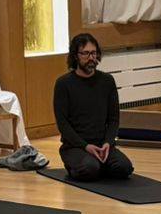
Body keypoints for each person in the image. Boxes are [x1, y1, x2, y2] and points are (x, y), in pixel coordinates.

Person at [51, 33, 134, 182]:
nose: (91, 58)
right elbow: (63, 125)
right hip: (75, 147)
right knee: (90, 168)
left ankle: (98, 164)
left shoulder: (107, 81)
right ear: (75, 56)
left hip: (102, 145)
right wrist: (85, 146)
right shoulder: (63, 84)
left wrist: (108, 143)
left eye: (94, 53)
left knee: (124, 167)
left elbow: (113, 119)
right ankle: (80, 166)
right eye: (86, 53)